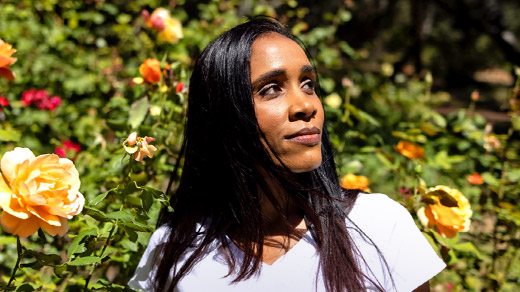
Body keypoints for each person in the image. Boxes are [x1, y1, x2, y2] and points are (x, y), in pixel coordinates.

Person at [128, 18, 445, 292]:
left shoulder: (380, 226)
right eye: (271, 89)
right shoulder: (176, 250)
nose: (306, 105)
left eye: (308, 84)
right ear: (223, 116)